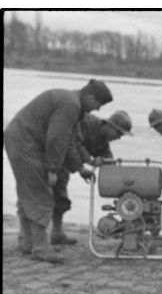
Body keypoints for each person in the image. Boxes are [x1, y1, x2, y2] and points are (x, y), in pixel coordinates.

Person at [4, 79, 113, 263]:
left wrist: (79, 168)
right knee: (41, 193)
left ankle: (27, 242)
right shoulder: (70, 105)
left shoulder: (72, 103)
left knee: (28, 192)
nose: (97, 110)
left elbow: (69, 142)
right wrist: (52, 169)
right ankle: (40, 248)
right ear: (90, 97)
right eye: (98, 104)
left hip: (21, 139)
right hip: (25, 143)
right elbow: (56, 139)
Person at [51, 110, 133, 245]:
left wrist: (126, 184)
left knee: (60, 198)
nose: (119, 138)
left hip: (66, 163)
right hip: (55, 156)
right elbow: (73, 145)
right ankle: (34, 236)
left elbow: (109, 163)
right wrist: (87, 163)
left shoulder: (103, 141)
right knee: (44, 196)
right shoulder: (86, 122)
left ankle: (56, 232)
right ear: (109, 125)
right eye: (119, 133)